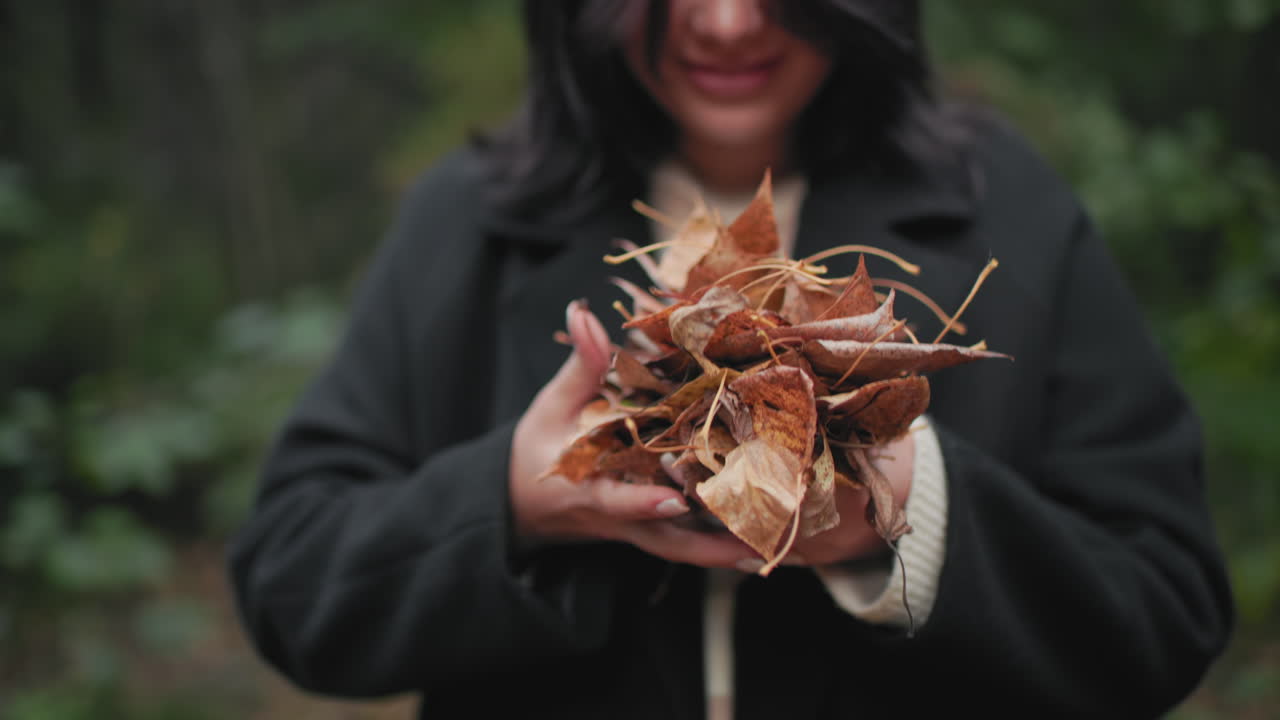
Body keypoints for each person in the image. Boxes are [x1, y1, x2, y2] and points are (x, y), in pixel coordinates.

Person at [228, 1, 1234, 718]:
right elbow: (292, 581)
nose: (724, 19)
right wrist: (518, 503)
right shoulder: (471, 222)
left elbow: (1161, 613)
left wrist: (902, 514)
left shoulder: (1001, 208)